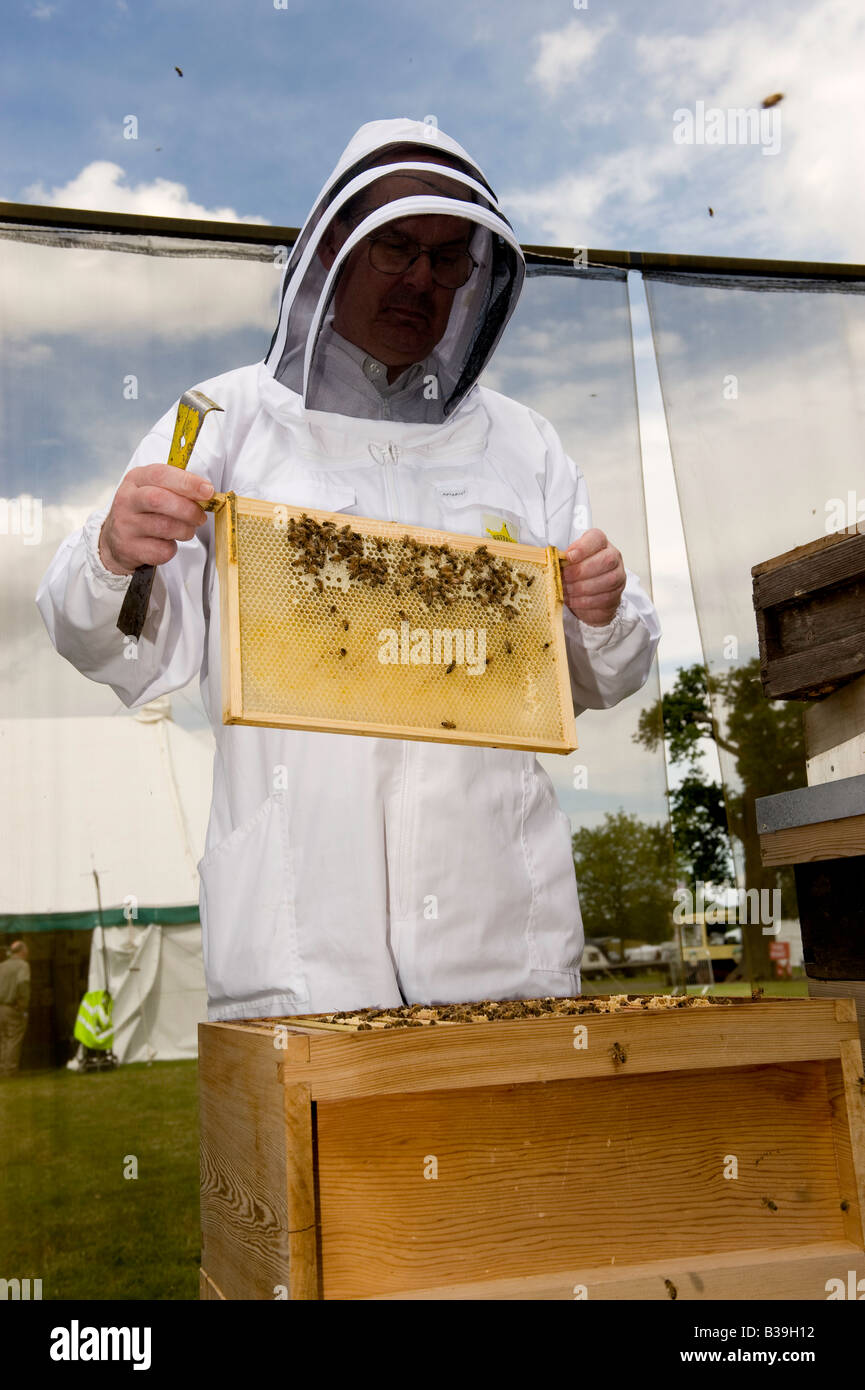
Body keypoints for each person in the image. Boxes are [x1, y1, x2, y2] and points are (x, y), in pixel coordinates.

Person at [37, 117, 661, 1022]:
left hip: (502, 930)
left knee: (516, 1164)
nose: (421, 280)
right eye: (396, 247)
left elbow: (601, 674)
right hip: (304, 935)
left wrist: (598, 609)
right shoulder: (223, 418)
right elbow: (112, 643)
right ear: (332, 246)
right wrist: (111, 550)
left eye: (448, 260)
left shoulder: (521, 443)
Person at [0, 941, 30, 1077]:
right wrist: (23, 1006)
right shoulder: (23, 966)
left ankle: (2, 1067)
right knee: (14, 1038)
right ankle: (10, 1070)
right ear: (22, 951)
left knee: (3, 1038)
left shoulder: (2, 966)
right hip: (13, 1007)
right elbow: (23, 986)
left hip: (1, 1006)